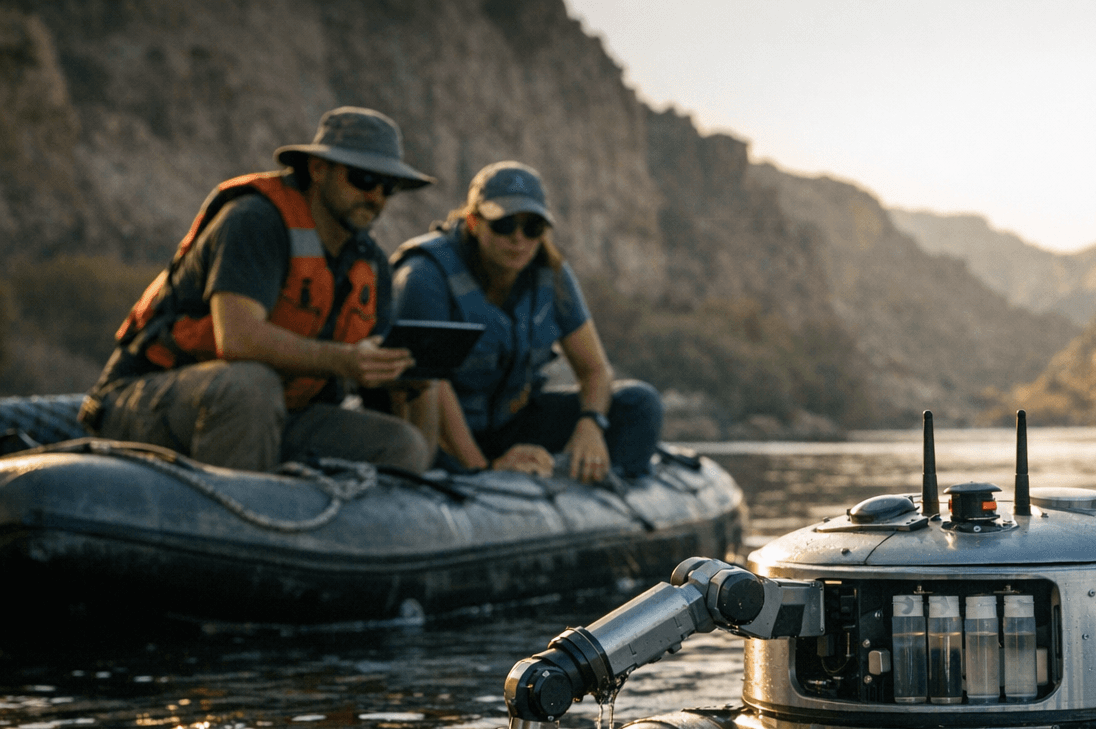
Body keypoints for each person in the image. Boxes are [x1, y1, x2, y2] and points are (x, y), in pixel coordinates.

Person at [80, 107, 437, 474]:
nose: (375, 196)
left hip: (277, 414)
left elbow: (370, 376)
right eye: (363, 179)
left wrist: (404, 376)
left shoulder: (372, 265)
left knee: (400, 445)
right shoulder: (255, 221)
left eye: (388, 187)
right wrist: (346, 360)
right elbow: (237, 340)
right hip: (149, 399)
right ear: (318, 170)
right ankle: (231, 522)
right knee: (252, 387)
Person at [390, 161, 661, 481]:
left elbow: (595, 370)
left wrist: (591, 424)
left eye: (532, 228)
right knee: (431, 430)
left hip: (512, 422)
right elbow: (431, 387)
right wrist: (484, 472)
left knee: (639, 404)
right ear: (474, 222)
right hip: (444, 432)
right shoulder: (425, 274)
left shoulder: (553, 272)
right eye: (504, 225)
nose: (519, 239)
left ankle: (576, 483)